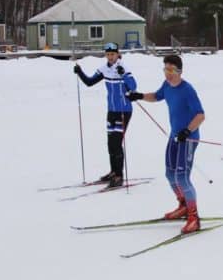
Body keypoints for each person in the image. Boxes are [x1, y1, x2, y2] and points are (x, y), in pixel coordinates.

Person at [127, 54, 206, 233]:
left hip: (188, 139)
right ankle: (184, 205)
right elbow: (156, 96)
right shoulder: (167, 86)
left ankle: (194, 217)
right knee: (170, 175)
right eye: (165, 69)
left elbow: (200, 115)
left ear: (179, 71)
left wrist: (187, 131)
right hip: (174, 137)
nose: (168, 74)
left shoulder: (187, 90)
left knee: (182, 177)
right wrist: (139, 95)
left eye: (171, 70)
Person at [73, 42, 138, 187]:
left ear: (117, 54)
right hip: (111, 111)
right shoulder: (104, 69)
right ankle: (113, 172)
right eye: (108, 54)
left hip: (124, 110)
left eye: (112, 54)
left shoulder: (123, 68)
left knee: (116, 142)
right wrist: (80, 72)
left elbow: (133, 86)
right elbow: (89, 82)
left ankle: (119, 175)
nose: (110, 57)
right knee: (110, 144)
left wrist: (123, 75)